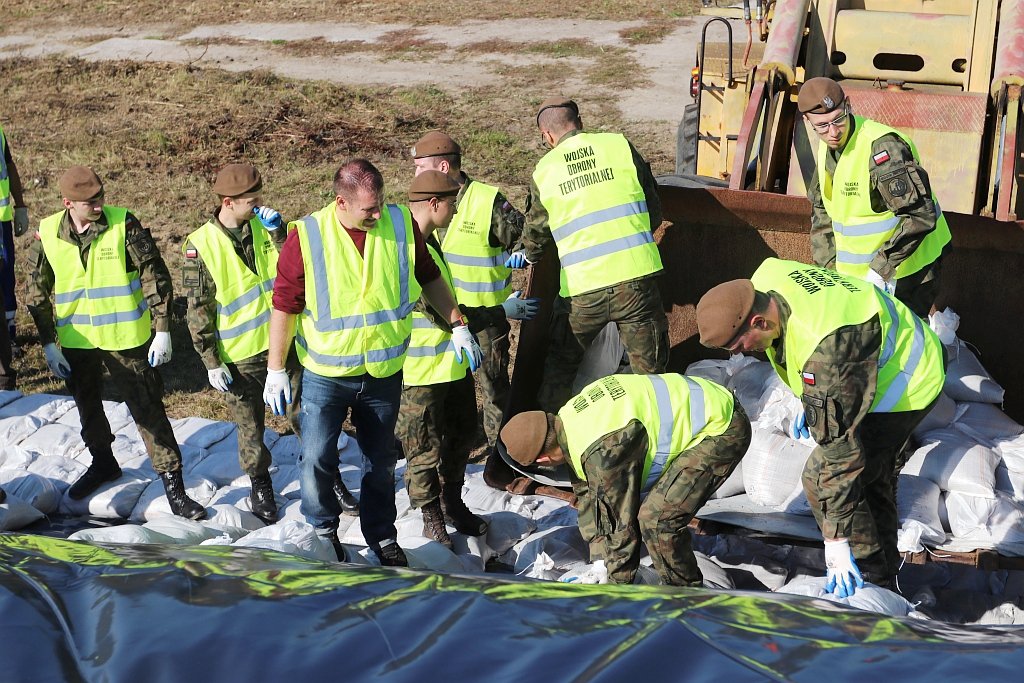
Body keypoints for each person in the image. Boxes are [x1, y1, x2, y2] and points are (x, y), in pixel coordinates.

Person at [262, 158, 482, 566]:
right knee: (316, 458)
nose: (377, 214)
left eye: (380, 204)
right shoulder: (307, 238)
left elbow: (429, 276)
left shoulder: (399, 226)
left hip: (382, 372)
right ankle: (323, 532)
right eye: (368, 210)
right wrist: (276, 369)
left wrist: (458, 324)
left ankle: (382, 536)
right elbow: (284, 306)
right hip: (327, 375)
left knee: (380, 463)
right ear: (341, 202)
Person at [695, 257, 945, 596]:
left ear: (758, 320)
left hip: (907, 385)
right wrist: (807, 393)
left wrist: (836, 543)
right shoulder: (765, 277)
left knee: (825, 474)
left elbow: (841, 458)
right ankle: (884, 574)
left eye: (742, 344)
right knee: (869, 477)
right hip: (865, 360)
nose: (745, 353)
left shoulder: (825, 350)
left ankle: (873, 578)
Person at [27, 166, 205, 519]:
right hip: (77, 341)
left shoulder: (123, 224)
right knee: (88, 406)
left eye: (101, 198)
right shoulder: (48, 233)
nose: (99, 205)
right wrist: (48, 343)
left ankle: (173, 483)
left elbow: (154, 274)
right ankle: (103, 462)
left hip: (125, 338)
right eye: (90, 202)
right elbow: (36, 290)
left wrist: (164, 327)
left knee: (147, 408)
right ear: (68, 204)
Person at [500, 373, 751, 586]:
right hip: (709, 399)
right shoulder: (570, 422)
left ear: (543, 460)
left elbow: (622, 526)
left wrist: (618, 590)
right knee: (645, 518)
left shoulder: (602, 452)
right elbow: (589, 496)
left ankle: (687, 600)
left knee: (657, 520)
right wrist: (599, 562)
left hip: (721, 428)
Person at [398, 170, 539, 548]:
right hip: (420, 371)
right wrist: (500, 310)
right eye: (451, 205)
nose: (455, 212)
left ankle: (451, 502)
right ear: (434, 205)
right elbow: (442, 315)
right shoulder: (403, 249)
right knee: (423, 447)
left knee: (459, 436)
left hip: (451, 364)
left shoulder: (429, 244)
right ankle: (431, 518)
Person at [509, 97, 669, 411]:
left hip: (582, 295)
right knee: (650, 377)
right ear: (580, 123)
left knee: (559, 372)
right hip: (636, 285)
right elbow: (653, 214)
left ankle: (549, 443)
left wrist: (526, 253)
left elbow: (538, 232)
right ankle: (649, 443)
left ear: (547, 137)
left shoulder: (545, 170)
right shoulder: (619, 146)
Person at [182, 163, 303, 524]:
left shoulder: (268, 228)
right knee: (250, 424)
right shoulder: (200, 244)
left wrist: (280, 233)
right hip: (241, 353)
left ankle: (325, 477)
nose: (259, 204)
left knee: (304, 413)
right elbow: (198, 307)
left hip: (285, 340)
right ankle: (260, 483)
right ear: (229, 202)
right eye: (252, 200)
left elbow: (298, 267)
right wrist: (210, 360)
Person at [798, 77, 951, 318]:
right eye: (823, 125)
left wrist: (880, 269)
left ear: (848, 105)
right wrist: (828, 270)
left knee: (906, 343)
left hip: (909, 270)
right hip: (864, 276)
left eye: (839, 119)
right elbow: (822, 209)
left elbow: (920, 216)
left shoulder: (882, 150)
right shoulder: (825, 147)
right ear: (808, 121)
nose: (834, 131)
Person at [410, 131, 525, 448]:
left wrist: (521, 252)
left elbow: (525, 239)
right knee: (450, 396)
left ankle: (499, 454)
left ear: (443, 167)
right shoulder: (423, 207)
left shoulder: (487, 202)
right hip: (441, 326)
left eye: (421, 168)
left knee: (494, 393)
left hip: (485, 320)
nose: (415, 176)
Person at [0, 120, 28, 353]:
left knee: (6, 277)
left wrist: (20, 206)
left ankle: (8, 337)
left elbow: (8, 165)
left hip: (1, 221)